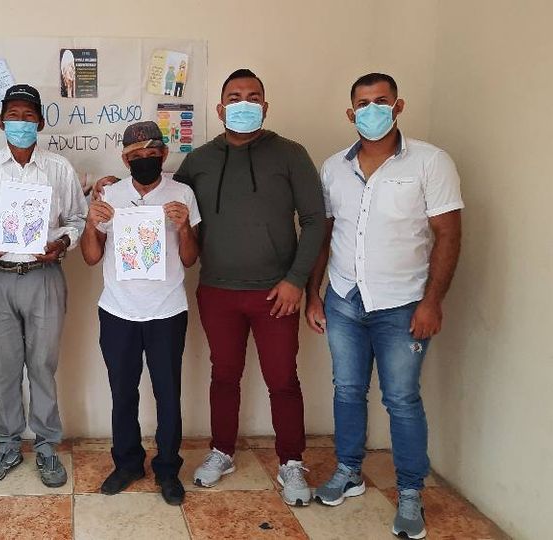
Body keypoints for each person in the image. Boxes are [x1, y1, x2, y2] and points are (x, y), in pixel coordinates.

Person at [93, 68, 325, 507]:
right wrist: (107, 185)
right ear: (220, 109)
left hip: (276, 292)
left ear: (265, 105)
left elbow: (315, 221)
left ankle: (292, 461)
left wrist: (297, 280)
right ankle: (222, 452)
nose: (243, 104)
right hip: (217, 291)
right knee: (224, 376)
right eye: (234, 97)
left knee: (282, 379)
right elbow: (154, 187)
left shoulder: (291, 154)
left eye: (253, 96)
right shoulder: (200, 160)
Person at [306, 73, 463, 540]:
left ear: (398, 106)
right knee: (347, 389)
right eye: (363, 103)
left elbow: (449, 235)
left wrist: (432, 302)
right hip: (344, 298)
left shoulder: (430, 162)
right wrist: (314, 293)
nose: (372, 110)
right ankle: (349, 470)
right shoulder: (333, 168)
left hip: (403, 304)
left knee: (402, 399)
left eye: (381, 101)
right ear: (350, 112)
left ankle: (410, 490)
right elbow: (324, 235)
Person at [0, 84, 87, 488]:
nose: (21, 122)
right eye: (13, 115)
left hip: (44, 277)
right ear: (1, 122)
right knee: (4, 368)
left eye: (29, 116)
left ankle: (46, 446)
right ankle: (7, 444)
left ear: (40, 123)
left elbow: (77, 219)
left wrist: (61, 244)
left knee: (43, 367)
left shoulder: (59, 169)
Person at [80, 121, 200, 506]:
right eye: (136, 155)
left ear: (164, 154)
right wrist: (91, 222)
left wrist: (184, 227)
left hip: (167, 311)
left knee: (168, 394)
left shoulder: (182, 193)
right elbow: (91, 257)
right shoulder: (111, 194)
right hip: (118, 311)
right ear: (125, 159)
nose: (144, 159)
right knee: (122, 393)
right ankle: (128, 463)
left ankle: (168, 469)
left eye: (152, 153)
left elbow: (191, 259)